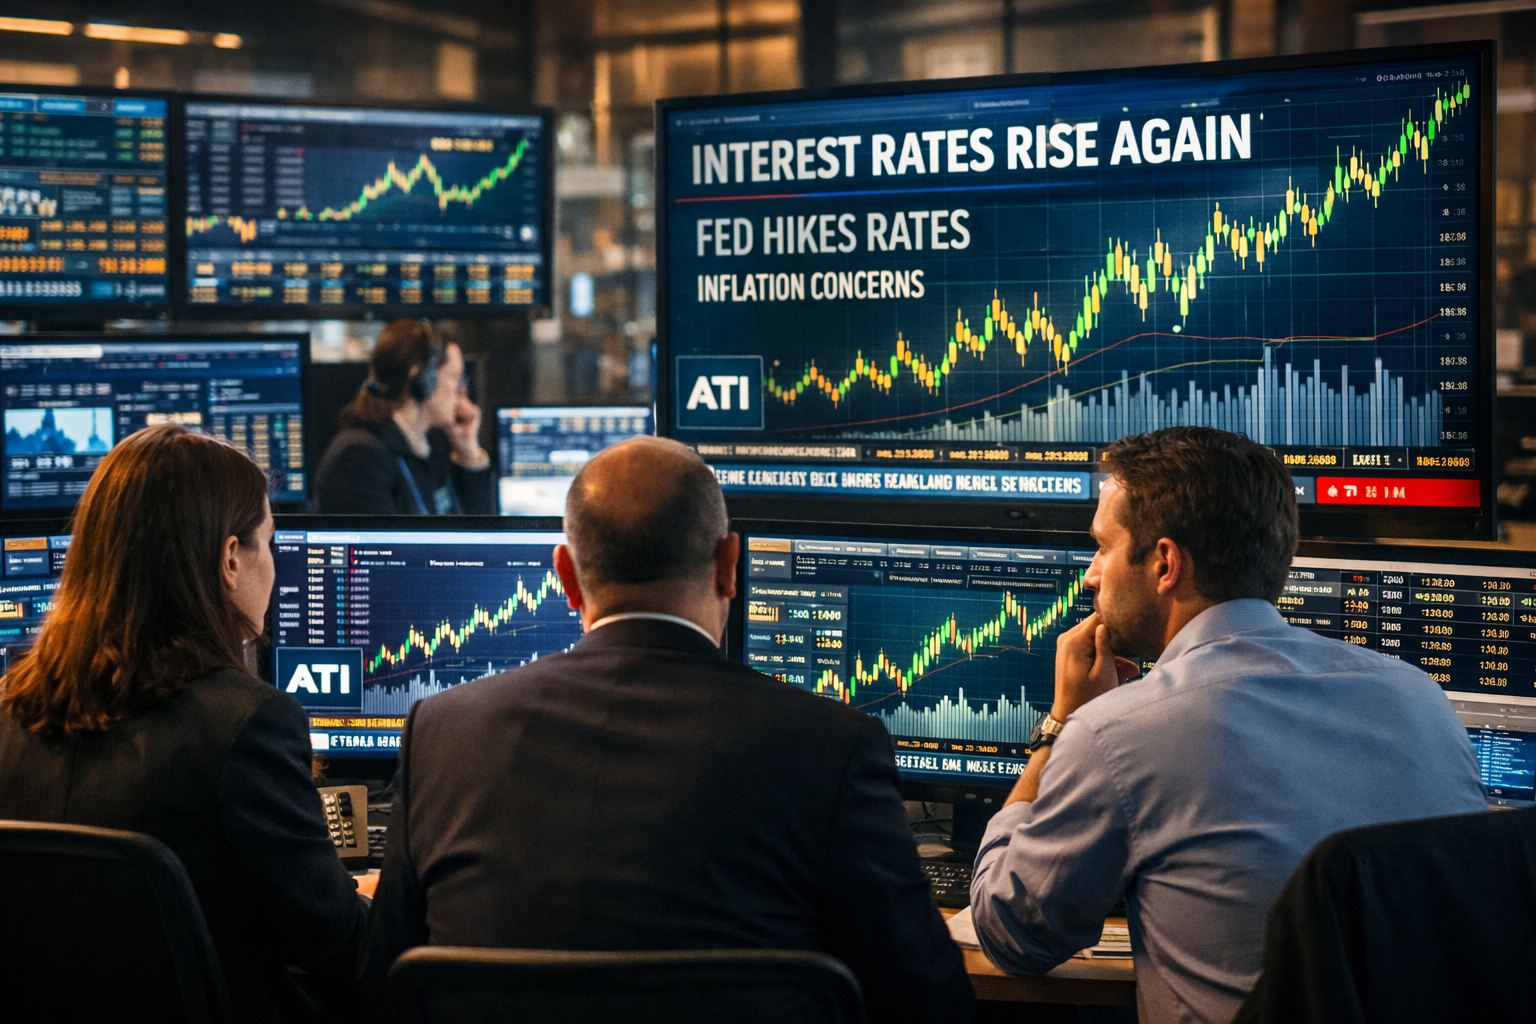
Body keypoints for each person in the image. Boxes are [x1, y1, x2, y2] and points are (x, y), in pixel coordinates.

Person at [359, 436, 973, 1024]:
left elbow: (378, 987)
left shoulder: (440, 732)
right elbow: (926, 998)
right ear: (730, 565)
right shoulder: (833, 747)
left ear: (565, 576)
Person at [968, 426, 1487, 1024]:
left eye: (1103, 548)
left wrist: (1061, 727)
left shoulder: (1117, 732)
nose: (1090, 575)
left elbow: (1012, 936)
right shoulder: (1420, 697)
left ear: (1165, 564)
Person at [0, 425, 367, 1024]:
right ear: (231, 559)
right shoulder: (247, 724)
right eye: (269, 543)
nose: (275, 568)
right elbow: (340, 948)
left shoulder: (9, 710)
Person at [315, 318, 494, 515]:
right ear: (424, 380)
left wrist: (468, 455)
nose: (462, 391)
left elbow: (477, 530)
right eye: (456, 377)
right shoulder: (361, 459)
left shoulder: (430, 445)